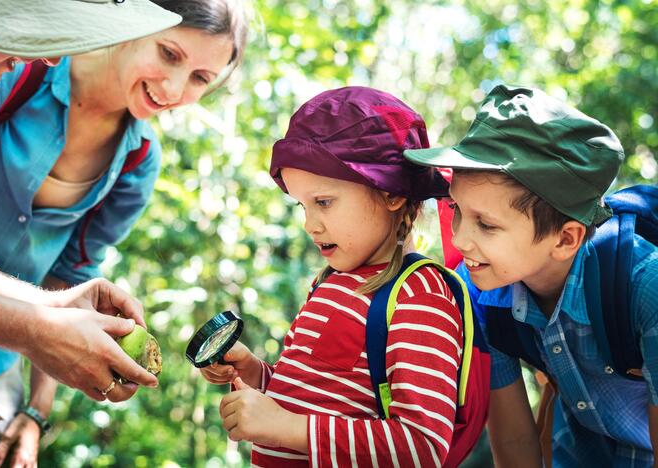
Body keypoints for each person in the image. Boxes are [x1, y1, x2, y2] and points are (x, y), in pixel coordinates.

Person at [0, 1, 248, 466]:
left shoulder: (139, 159)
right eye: (169, 54)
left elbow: (70, 277)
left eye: (201, 78)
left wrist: (36, 411)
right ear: (131, 28)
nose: (176, 88)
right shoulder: (13, 68)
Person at [200, 87, 489, 467]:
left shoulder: (419, 294)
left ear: (391, 194)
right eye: (303, 205)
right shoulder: (328, 285)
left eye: (323, 202)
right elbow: (322, 400)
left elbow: (421, 445)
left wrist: (287, 428)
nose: (309, 224)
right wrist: (256, 374)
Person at [404, 85, 658, 467]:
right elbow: (513, 439)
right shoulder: (480, 297)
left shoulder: (642, 288)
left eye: (486, 225)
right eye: (456, 209)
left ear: (565, 238)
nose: (458, 238)